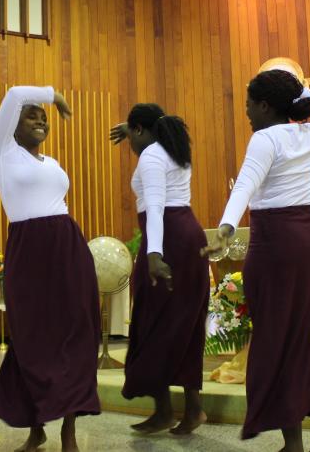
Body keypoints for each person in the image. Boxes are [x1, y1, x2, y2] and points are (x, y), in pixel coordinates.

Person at [203, 68, 310, 452]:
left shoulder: (264, 138)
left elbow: (246, 183)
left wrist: (226, 228)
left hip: (277, 243)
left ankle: (293, 442)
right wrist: (304, 92)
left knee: (277, 336)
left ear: (266, 106)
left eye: (250, 104)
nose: (247, 112)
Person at [0, 86, 100, 452]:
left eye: (44, 117)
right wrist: (55, 97)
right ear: (13, 125)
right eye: (31, 115)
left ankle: (69, 431)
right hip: (28, 250)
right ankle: (35, 427)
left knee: (76, 334)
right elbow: (14, 93)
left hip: (67, 247)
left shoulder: (52, 164)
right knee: (30, 337)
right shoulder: (2, 152)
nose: (40, 119)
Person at [109, 104, 209, 435]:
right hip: (187, 235)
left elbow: (154, 206)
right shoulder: (172, 148)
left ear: (140, 131)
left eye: (132, 135)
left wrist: (153, 254)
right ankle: (192, 410)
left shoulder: (151, 156)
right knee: (183, 325)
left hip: (168, 239)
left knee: (154, 323)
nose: (129, 145)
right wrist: (131, 127)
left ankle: (165, 411)